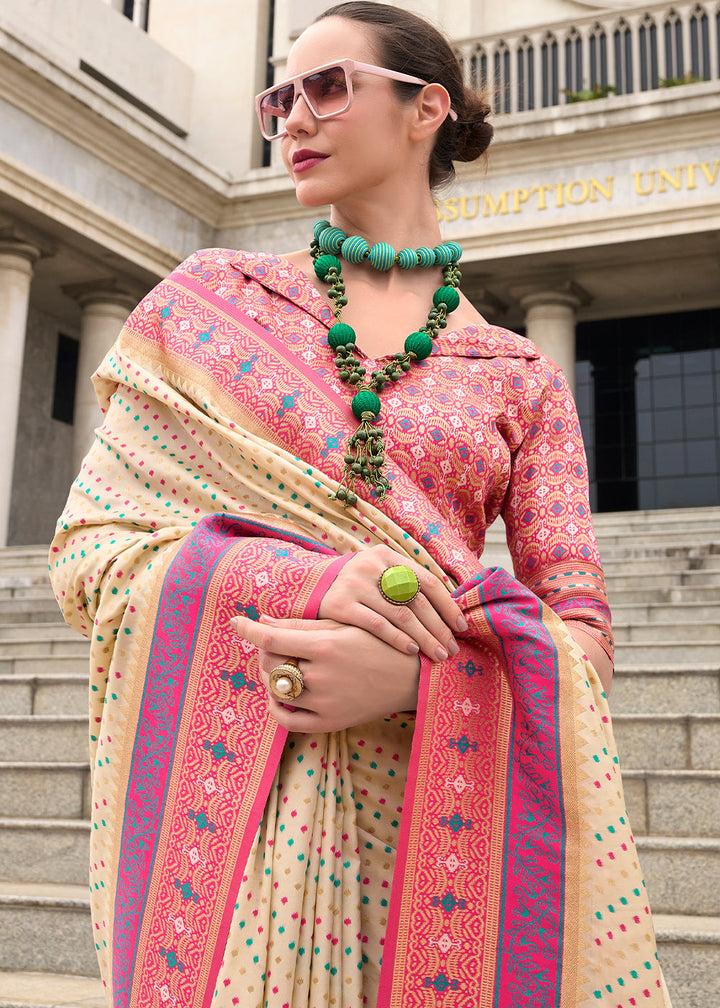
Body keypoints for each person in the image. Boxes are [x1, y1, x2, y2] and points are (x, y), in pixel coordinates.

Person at [50, 3, 671, 1006]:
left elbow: (583, 640)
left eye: (327, 86)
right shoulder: (210, 303)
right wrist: (301, 583)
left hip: (440, 835)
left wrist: (420, 681)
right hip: (244, 818)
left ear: (426, 109)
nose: (294, 116)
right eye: (277, 97)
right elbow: (92, 551)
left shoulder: (518, 377)